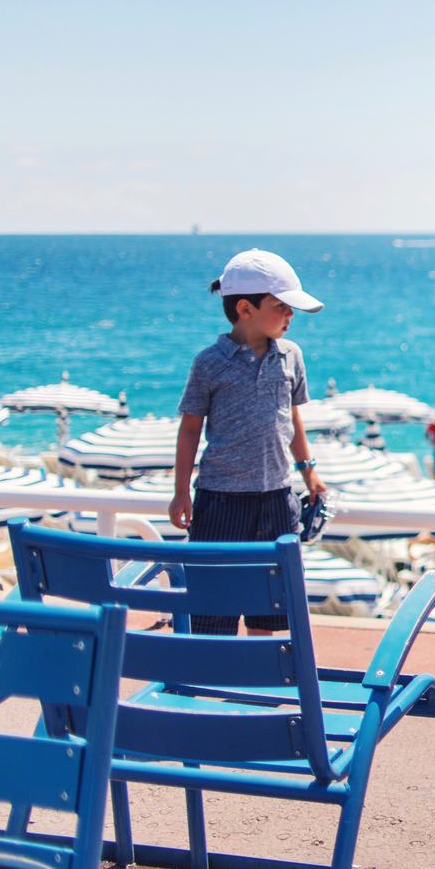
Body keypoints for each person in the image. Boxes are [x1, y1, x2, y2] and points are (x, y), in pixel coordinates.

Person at [169, 249, 328, 636]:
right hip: (220, 500)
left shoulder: (291, 357)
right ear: (245, 308)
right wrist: (180, 492)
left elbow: (292, 418)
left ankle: (255, 686)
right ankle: (208, 686)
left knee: (270, 609)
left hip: (277, 499)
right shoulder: (209, 363)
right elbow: (190, 429)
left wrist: (309, 473)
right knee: (212, 611)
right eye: (282, 306)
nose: (291, 316)